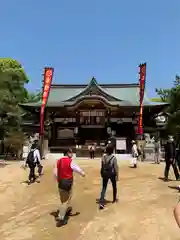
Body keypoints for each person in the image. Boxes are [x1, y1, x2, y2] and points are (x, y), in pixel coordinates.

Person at [54, 148, 85, 226]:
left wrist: (58, 179)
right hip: (67, 182)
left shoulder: (58, 161)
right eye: (71, 153)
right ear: (67, 153)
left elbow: (55, 173)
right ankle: (61, 218)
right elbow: (77, 168)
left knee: (63, 199)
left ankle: (65, 210)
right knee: (66, 201)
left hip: (60, 182)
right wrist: (82, 173)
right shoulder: (70, 161)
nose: (72, 154)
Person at [99, 144, 119, 210]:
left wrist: (101, 173)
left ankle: (101, 201)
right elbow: (116, 167)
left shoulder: (103, 157)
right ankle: (114, 199)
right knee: (114, 186)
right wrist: (117, 175)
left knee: (104, 187)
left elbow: (102, 166)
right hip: (112, 174)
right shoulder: (113, 158)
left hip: (105, 173)